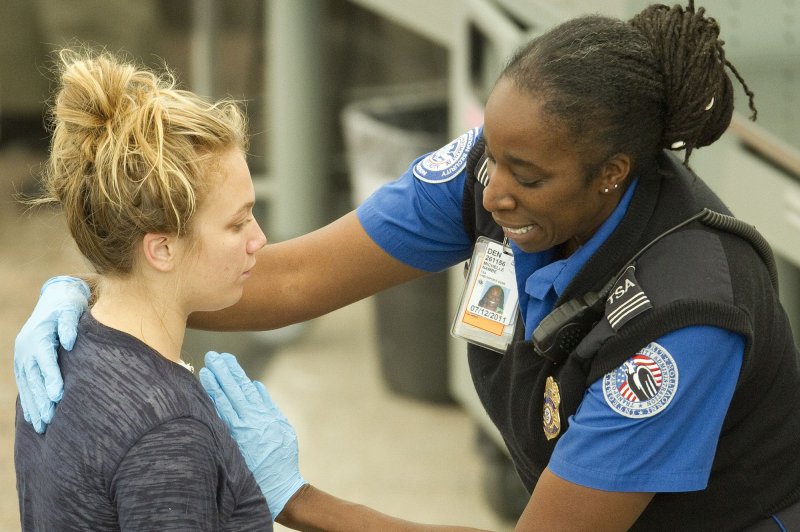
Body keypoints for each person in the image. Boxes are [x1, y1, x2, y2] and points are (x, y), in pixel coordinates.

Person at [14, 2, 800, 529]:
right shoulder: (494, 171)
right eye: (492, 154)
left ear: (613, 173)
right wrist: (106, 287)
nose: (492, 194)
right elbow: (287, 279)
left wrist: (295, 498)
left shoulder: (680, 326)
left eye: (527, 176)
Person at [13, 49, 276, 529]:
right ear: (161, 250)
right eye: (237, 224)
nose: (260, 240)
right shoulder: (170, 436)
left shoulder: (62, 359)